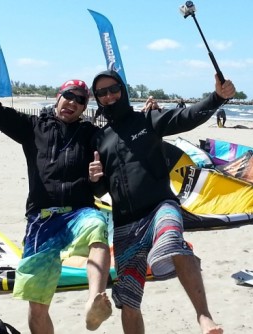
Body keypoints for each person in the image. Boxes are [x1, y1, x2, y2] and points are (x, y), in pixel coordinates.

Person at [0, 51, 112, 333]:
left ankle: (95, 299)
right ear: (58, 97)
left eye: (80, 100)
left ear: (85, 108)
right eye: (69, 96)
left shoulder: (91, 136)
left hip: (79, 212)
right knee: (36, 304)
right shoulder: (32, 128)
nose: (73, 102)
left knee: (98, 227)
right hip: (42, 219)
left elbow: (104, 180)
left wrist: (98, 180)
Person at [89, 69, 234, 334]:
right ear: (97, 99)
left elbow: (186, 117)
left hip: (159, 207)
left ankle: (204, 316)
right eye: (102, 93)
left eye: (113, 89)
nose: (109, 96)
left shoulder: (147, 120)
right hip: (125, 224)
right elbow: (100, 191)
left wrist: (216, 98)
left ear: (123, 90)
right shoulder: (99, 139)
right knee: (129, 299)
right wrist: (96, 180)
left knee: (173, 242)